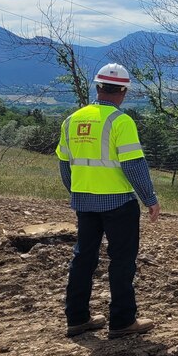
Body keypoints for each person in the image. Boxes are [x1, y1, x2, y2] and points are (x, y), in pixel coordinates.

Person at [56, 63, 161, 339]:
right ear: (123, 91)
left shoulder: (72, 120)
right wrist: (149, 198)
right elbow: (134, 165)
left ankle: (77, 319)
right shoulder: (120, 121)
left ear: (98, 87)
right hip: (118, 203)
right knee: (122, 261)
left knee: (83, 258)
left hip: (84, 202)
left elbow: (64, 165)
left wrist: (77, 191)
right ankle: (122, 321)